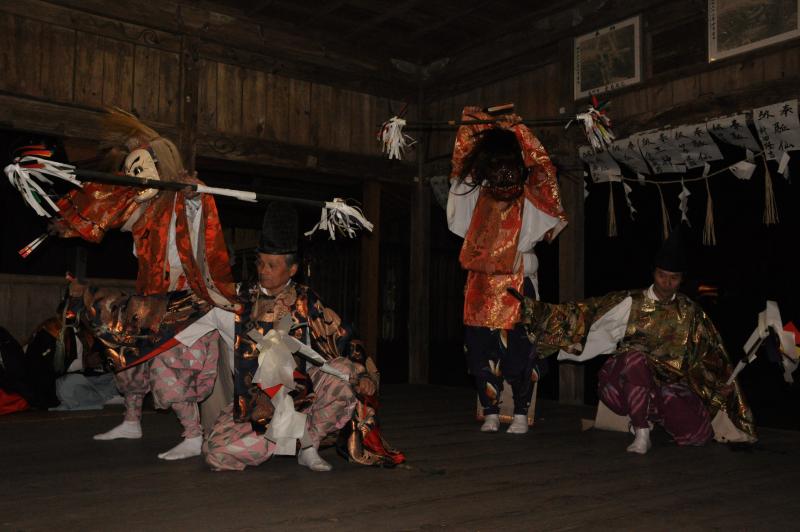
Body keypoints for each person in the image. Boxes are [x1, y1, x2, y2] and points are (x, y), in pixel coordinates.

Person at [52, 109, 238, 460]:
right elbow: (109, 214)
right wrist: (72, 222)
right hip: (153, 302)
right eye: (132, 172)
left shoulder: (183, 198)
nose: (137, 178)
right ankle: (132, 419)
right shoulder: (146, 211)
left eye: (142, 169)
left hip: (189, 304)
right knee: (125, 352)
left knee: (166, 364)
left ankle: (193, 434)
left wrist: (195, 194)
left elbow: (201, 216)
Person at [204, 202, 404, 471]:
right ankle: (295, 438)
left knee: (345, 373)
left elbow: (344, 337)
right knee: (216, 451)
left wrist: (364, 374)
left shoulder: (306, 300)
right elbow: (201, 289)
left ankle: (310, 442)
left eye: (272, 265)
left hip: (304, 395)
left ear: (292, 269)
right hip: (258, 402)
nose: (263, 270)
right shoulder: (240, 298)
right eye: (260, 262)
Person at [517, 231, 756, 453]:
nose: (667, 282)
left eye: (674, 278)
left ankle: (648, 415)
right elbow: (583, 313)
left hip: (664, 388)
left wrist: (717, 386)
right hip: (623, 382)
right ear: (654, 274)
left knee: (697, 436)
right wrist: (538, 312)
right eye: (662, 276)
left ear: (681, 280)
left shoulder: (691, 313)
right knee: (635, 359)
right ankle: (641, 431)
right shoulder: (631, 302)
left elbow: (708, 355)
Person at [446, 107, 567, 433]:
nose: (503, 174)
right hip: (480, 285)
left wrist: (520, 129)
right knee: (479, 353)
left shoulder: (529, 198)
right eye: (496, 167)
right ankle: (489, 410)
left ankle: (519, 413)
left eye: (509, 166)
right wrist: (473, 127)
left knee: (519, 352)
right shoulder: (476, 195)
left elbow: (545, 169)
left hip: (515, 283)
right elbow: (459, 168)